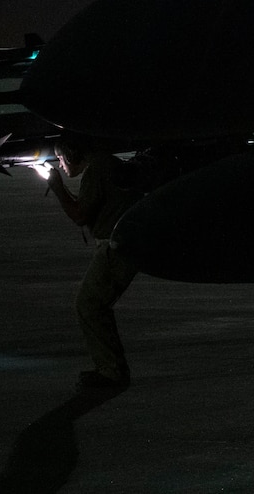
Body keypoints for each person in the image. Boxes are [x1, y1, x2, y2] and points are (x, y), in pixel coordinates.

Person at [46, 135, 143, 389]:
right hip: (121, 243)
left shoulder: (97, 169)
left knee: (89, 304)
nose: (61, 164)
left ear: (70, 154)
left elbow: (79, 214)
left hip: (115, 246)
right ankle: (111, 369)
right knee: (93, 304)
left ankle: (111, 372)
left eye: (60, 158)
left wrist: (56, 186)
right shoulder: (104, 164)